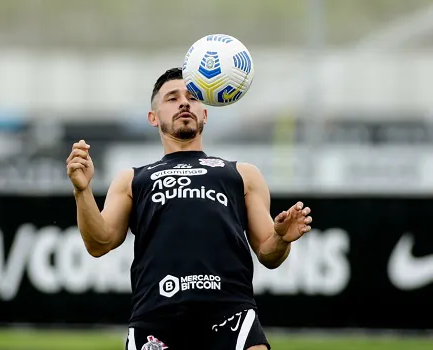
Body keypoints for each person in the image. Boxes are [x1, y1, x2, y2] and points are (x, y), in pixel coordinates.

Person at [66, 67, 312, 350]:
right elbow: (99, 243)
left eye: (193, 97)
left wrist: (281, 237)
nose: (184, 102)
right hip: (157, 318)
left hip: (230, 314)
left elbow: (269, 254)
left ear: (204, 113)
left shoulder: (243, 174)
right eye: (172, 98)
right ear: (153, 117)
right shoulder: (133, 178)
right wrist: (82, 191)